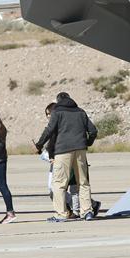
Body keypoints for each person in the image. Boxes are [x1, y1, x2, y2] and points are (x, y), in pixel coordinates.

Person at [34, 92, 98, 222]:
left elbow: (49, 130)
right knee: (83, 182)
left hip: (63, 151)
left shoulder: (57, 112)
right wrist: (86, 143)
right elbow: (93, 131)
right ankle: (87, 212)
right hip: (80, 150)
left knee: (59, 183)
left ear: (58, 101)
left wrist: (39, 145)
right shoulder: (80, 112)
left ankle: (61, 214)